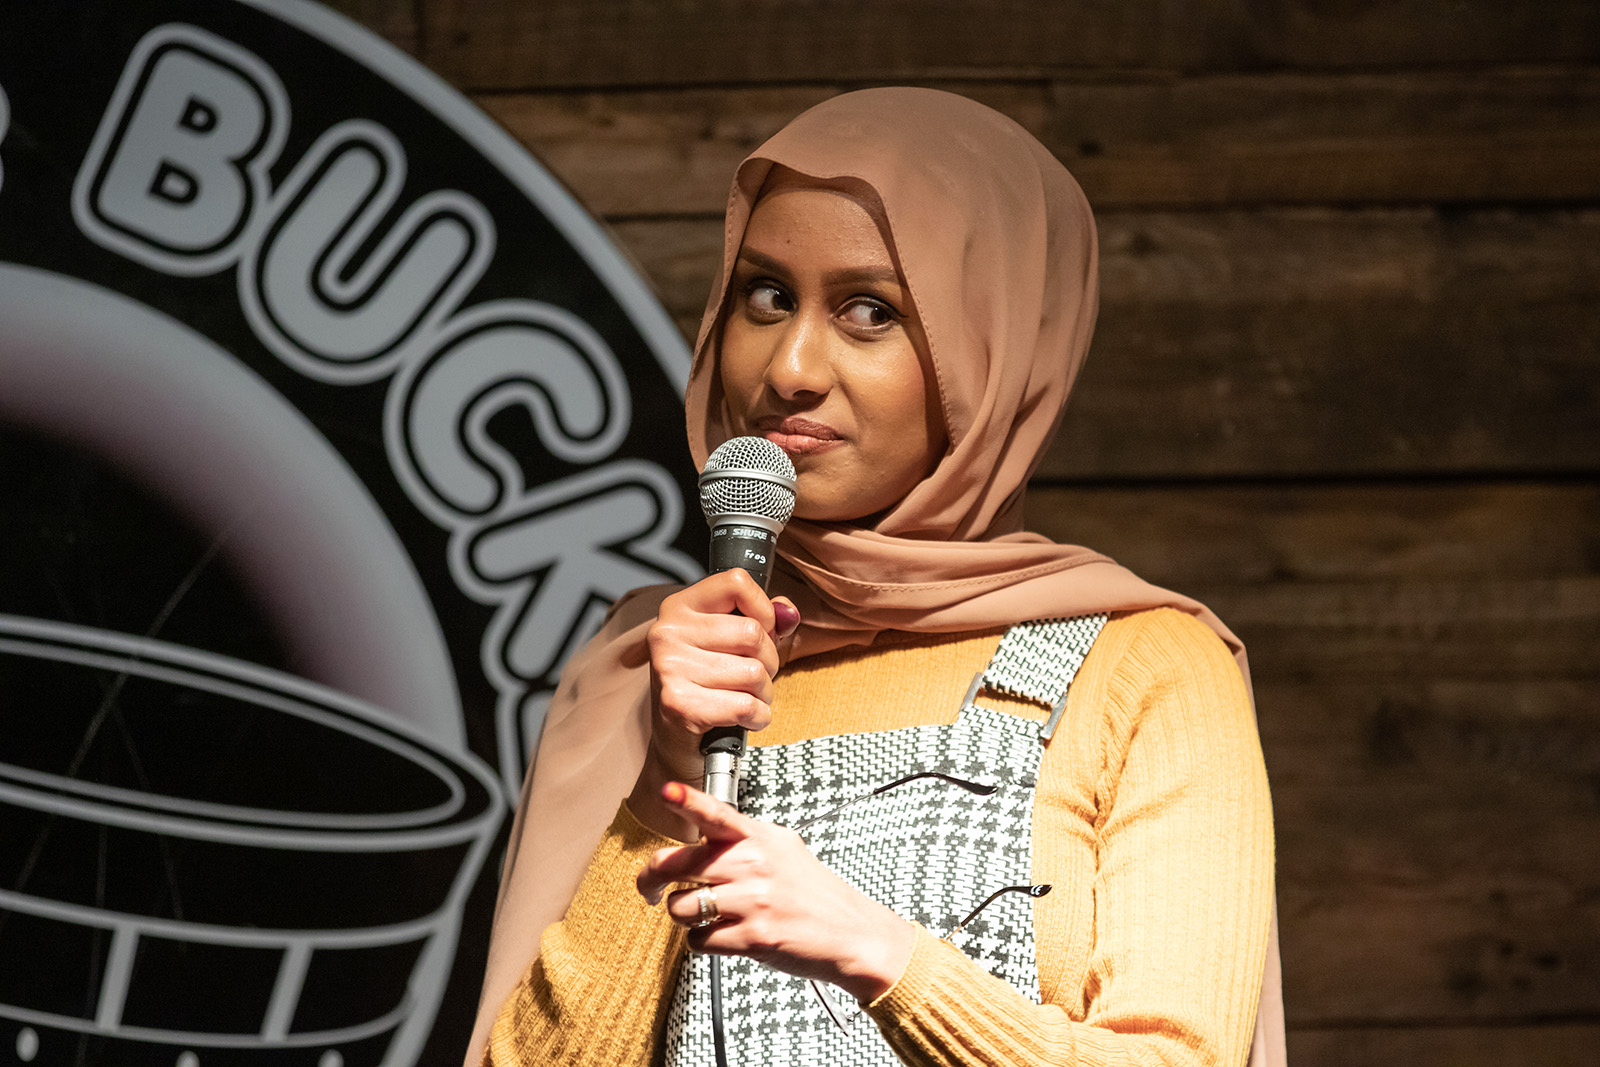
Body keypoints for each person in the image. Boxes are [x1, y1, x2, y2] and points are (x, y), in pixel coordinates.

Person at [465, 87, 1285, 1067]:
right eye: (765, 296)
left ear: (994, 348)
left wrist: (882, 955)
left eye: (869, 311)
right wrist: (666, 775)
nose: (792, 366)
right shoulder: (654, 667)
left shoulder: (1145, 669)